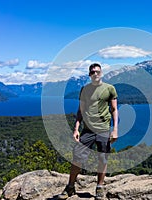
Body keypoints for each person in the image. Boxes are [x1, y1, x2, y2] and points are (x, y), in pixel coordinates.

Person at [58, 63, 118, 200]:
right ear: (89, 75)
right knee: (77, 157)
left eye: (97, 71)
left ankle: (100, 187)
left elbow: (114, 109)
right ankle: (70, 187)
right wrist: (76, 128)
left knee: (103, 158)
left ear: (101, 73)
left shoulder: (110, 89)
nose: (95, 74)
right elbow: (80, 110)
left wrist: (115, 129)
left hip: (103, 129)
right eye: (92, 72)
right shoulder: (84, 89)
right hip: (87, 130)